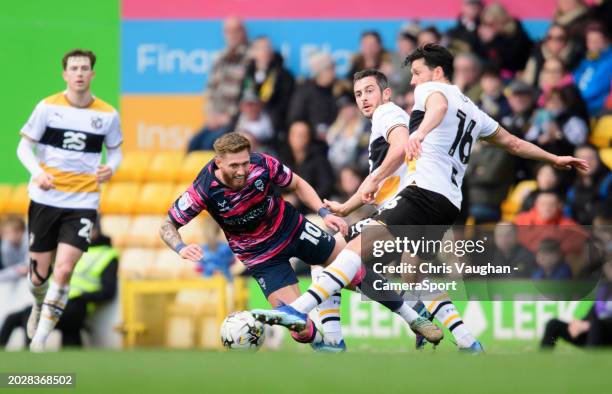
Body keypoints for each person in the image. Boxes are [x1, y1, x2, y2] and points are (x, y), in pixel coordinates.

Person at [252, 44, 589, 353]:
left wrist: (420, 134)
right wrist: (553, 158)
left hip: (422, 195)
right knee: (410, 273)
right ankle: (467, 341)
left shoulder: (420, 98)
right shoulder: (474, 111)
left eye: (417, 73)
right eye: (358, 93)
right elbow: (514, 143)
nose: (413, 83)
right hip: (449, 204)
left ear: (437, 72)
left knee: (334, 249)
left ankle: (307, 315)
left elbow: (432, 111)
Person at [159, 132, 440, 352]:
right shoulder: (203, 190)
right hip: (260, 256)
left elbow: (296, 183)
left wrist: (322, 211)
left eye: (245, 162)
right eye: (234, 166)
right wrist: (181, 247)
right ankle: (328, 346)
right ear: (218, 162)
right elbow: (168, 224)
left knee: (352, 267)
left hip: (292, 228)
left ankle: (413, 316)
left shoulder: (262, 164)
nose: (243, 170)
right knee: (298, 326)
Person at [16, 49, 122, 352]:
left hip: (83, 200)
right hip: (46, 198)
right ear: (65, 74)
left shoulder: (107, 114)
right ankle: (39, 306)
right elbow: (24, 148)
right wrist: (37, 173)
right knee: (39, 278)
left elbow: (115, 151)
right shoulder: (48, 108)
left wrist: (110, 167)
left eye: (84, 68)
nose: (79, 73)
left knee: (64, 271)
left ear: (92, 74)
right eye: (74, 68)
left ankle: (40, 340)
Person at [0, 220, 118, 348]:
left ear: (96, 230)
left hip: (77, 305)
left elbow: (108, 291)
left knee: (32, 317)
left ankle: (31, 358)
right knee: (12, 318)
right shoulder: (69, 250)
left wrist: (81, 297)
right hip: (55, 300)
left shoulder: (107, 254)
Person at [242, 36, 294, 134]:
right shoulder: (248, 74)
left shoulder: (282, 75)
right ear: (253, 52)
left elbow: (285, 105)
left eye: (267, 48)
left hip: (272, 123)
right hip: (247, 120)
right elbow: (242, 97)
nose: (264, 52)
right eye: (261, 48)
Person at [205, 17, 249, 126]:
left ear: (243, 32)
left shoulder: (250, 57)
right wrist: (211, 114)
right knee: (195, 142)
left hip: (236, 121)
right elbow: (211, 89)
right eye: (228, 31)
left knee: (215, 142)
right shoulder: (220, 58)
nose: (232, 35)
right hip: (217, 118)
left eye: (236, 30)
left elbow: (249, 94)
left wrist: (231, 117)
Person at [565, 145, 612, 225]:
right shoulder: (572, 190)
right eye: (582, 159)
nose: (587, 162)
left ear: (599, 160)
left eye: (591, 158)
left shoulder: (609, 181)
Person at [573, 22, 612, 116]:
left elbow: (595, 88)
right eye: (589, 41)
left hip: (597, 110)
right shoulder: (588, 60)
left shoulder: (609, 61)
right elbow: (574, 80)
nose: (592, 44)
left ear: (606, 40)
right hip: (582, 107)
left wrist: (574, 102)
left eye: (597, 40)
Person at [198, 214, 234, 282]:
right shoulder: (226, 248)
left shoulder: (202, 249)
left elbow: (199, 269)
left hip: (207, 283)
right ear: (220, 230)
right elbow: (233, 264)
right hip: (225, 282)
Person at [0, 216, 29, 283]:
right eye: (4, 234)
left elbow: (29, 267)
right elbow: (9, 267)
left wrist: (17, 270)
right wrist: (17, 271)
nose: (5, 237)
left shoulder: (29, 240)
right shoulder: (5, 246)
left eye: (8, 233)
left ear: (20, 231)